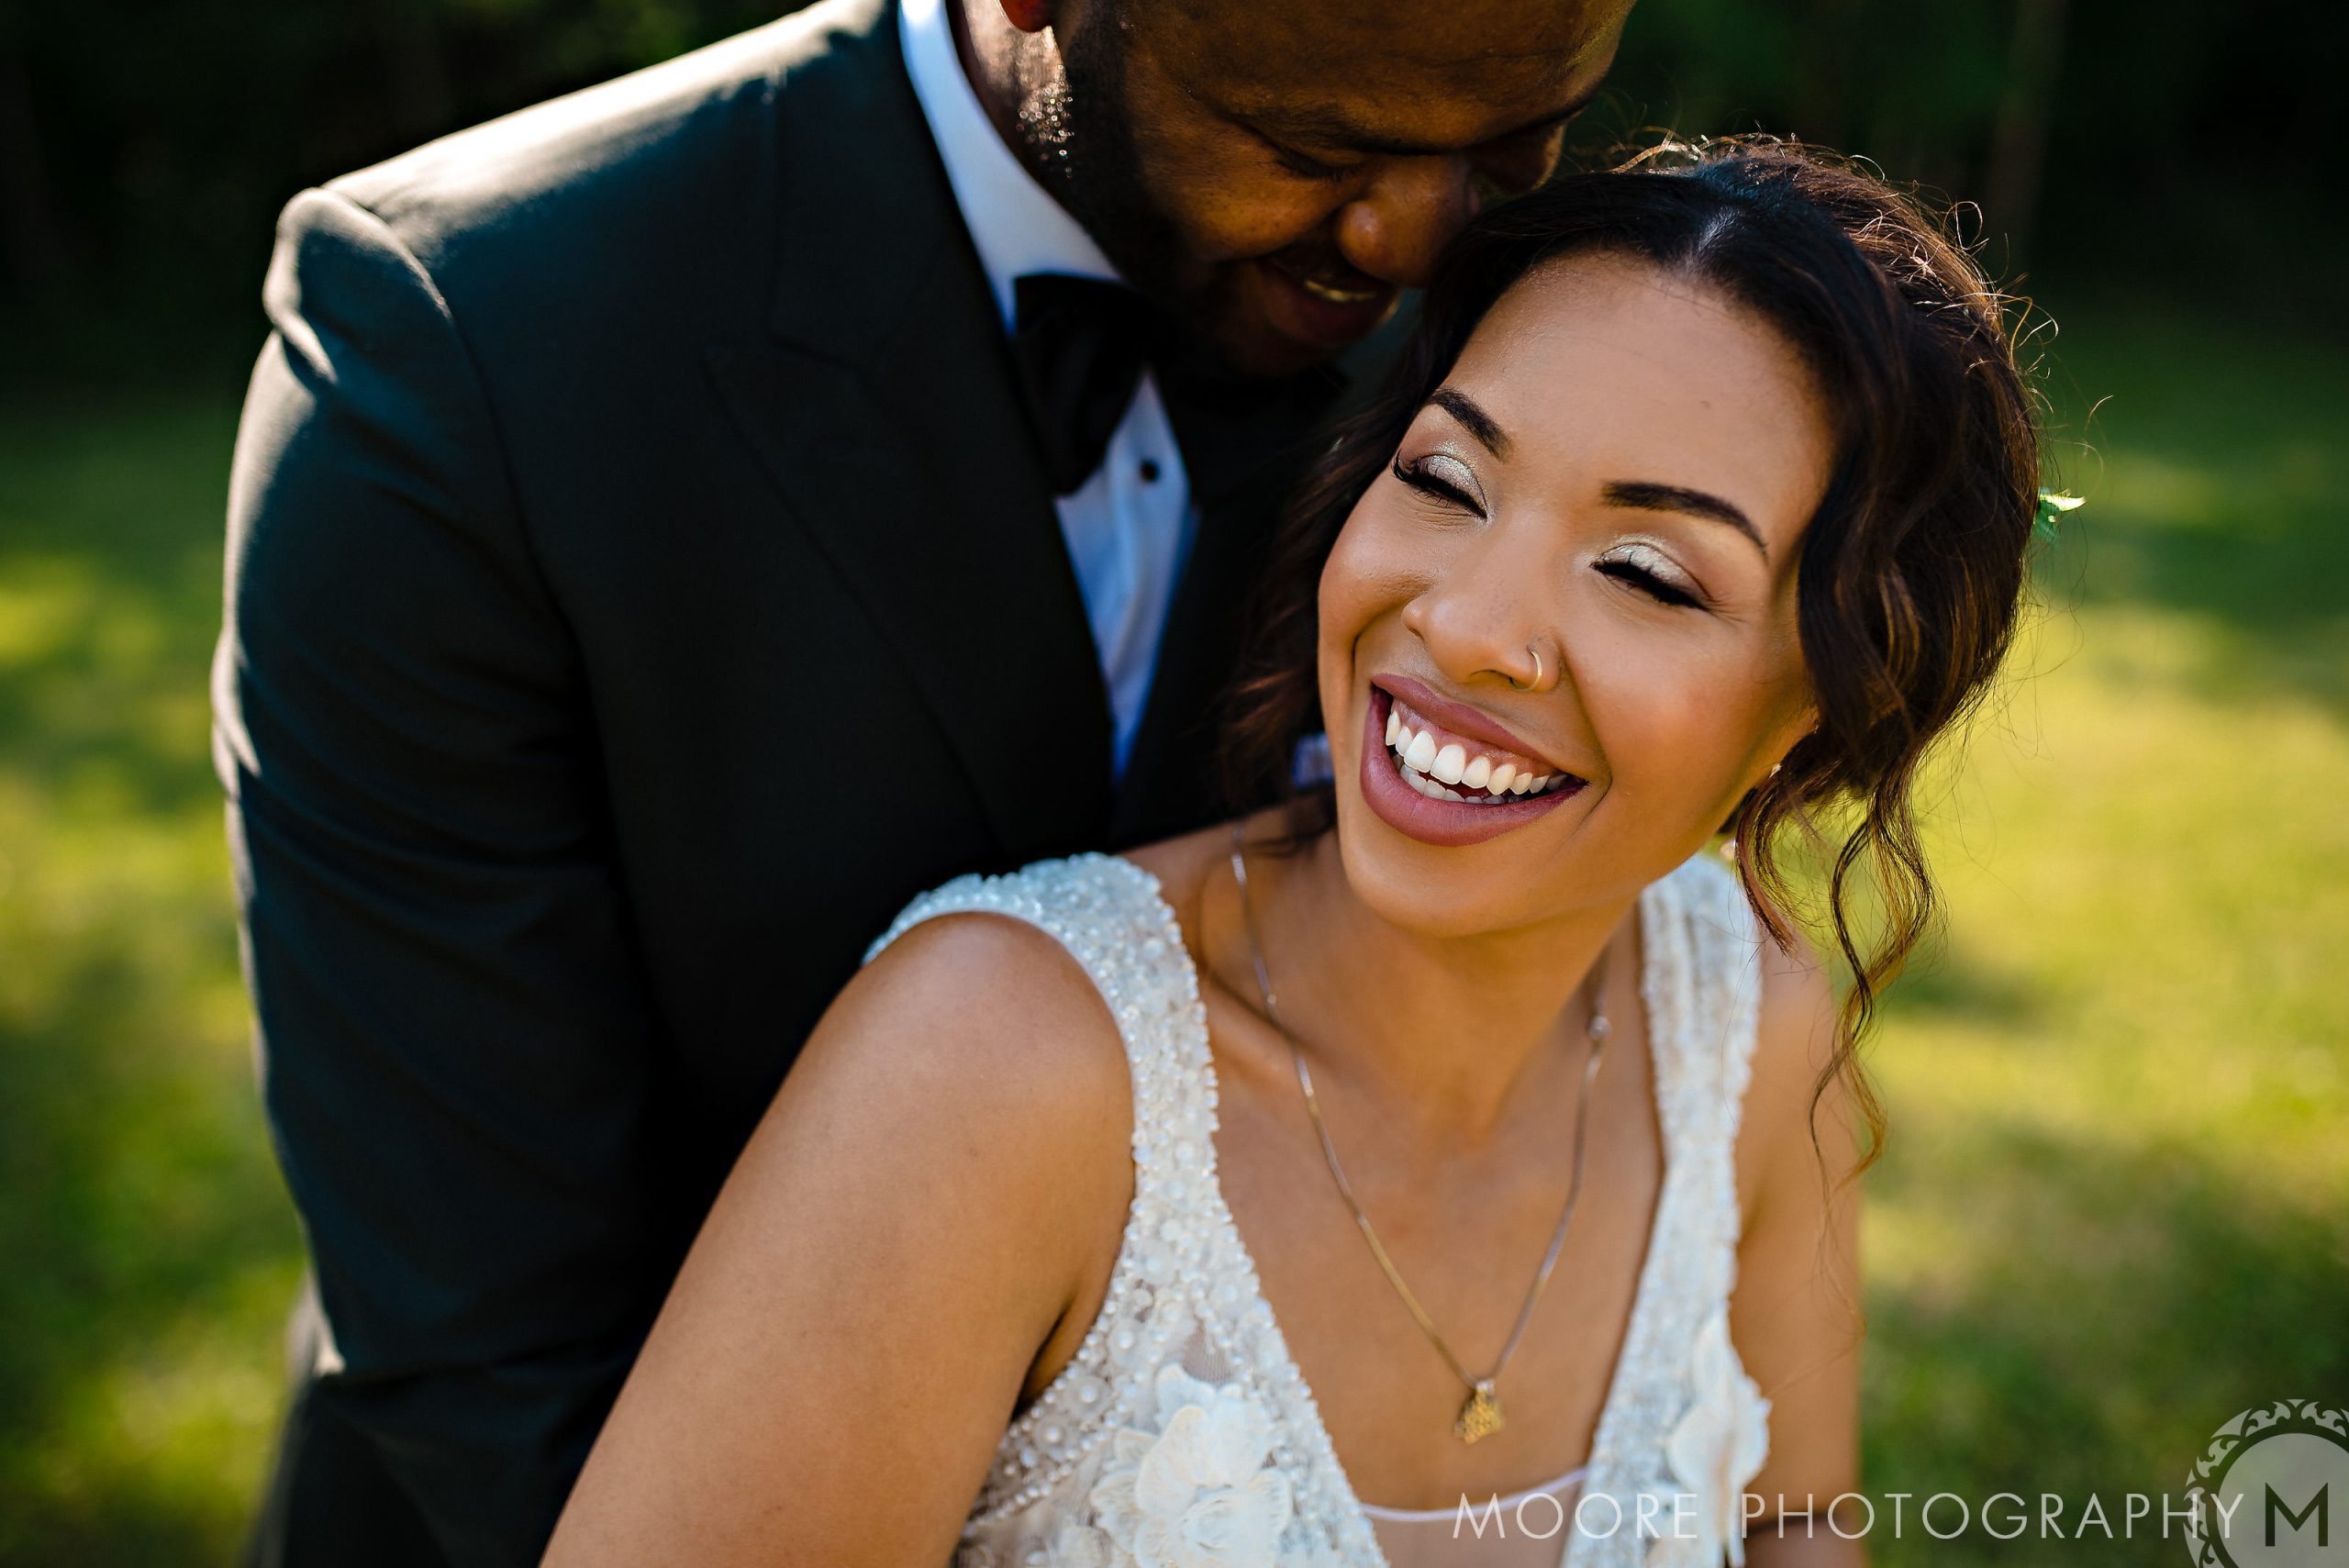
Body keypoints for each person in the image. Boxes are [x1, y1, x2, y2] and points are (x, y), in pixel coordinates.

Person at [210, 0, 1633, 1562]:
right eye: (1312, 149)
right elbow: (490, 1338)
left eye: (1515, 144)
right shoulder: (462, 343)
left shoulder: (1528, 323)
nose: (1420, 242)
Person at [540, 143, 2045, 1567]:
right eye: (1448, 479)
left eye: (1646, 573)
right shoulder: (995, 1073)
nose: (1462, 623)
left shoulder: (1753, 1029)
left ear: (1815, 720)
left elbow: (1794, 1520)